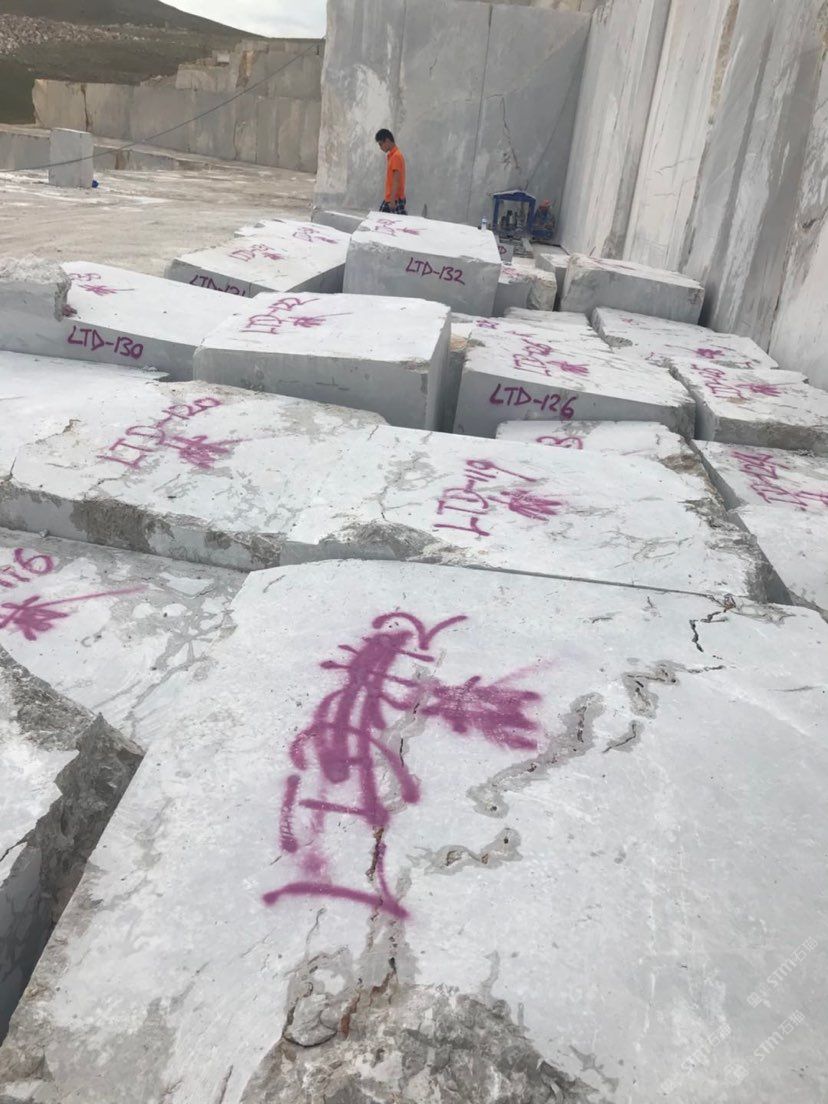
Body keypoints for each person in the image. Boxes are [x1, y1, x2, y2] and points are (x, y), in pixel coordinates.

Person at [375, 128, 407, 215]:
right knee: (382, 220)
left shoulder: (396, 156)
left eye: (381, 144)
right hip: (391, 198)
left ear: (387, 141)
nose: (380, 148)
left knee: (396, 221)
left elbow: (396, 180)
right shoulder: (393, 156)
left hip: (394, 199)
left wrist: (392, 201)